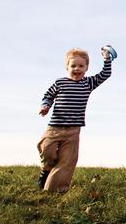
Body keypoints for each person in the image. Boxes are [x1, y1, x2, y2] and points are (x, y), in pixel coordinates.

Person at [37, 47, 113, 192]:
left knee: (66, 162)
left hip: (73, 131)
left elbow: (106, 74)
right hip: (55, 128)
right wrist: (45, 106)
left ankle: (53, 191)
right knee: (47, 151)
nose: (77, 68)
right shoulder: (60, 83)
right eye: (73, 65)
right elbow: (48, 95)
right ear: (67, 67)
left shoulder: (88, 83)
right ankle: (46, 170)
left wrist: (107, 58)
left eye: (81, 66)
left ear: (86, 68)